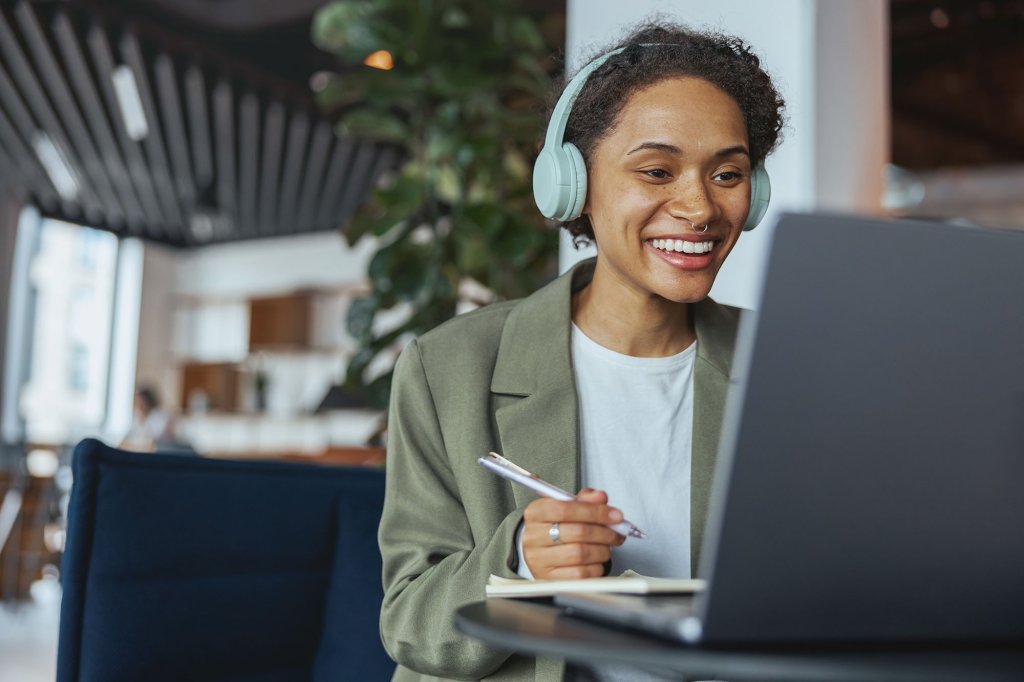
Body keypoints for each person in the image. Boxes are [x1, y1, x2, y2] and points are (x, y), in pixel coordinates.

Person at [379, 19, 786, 682]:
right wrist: (523, 566)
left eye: (728, 174)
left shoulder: (783, 364)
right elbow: (409, 624)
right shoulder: (448, 367)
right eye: (657, 170)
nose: (700, 207)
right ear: (572, 184)